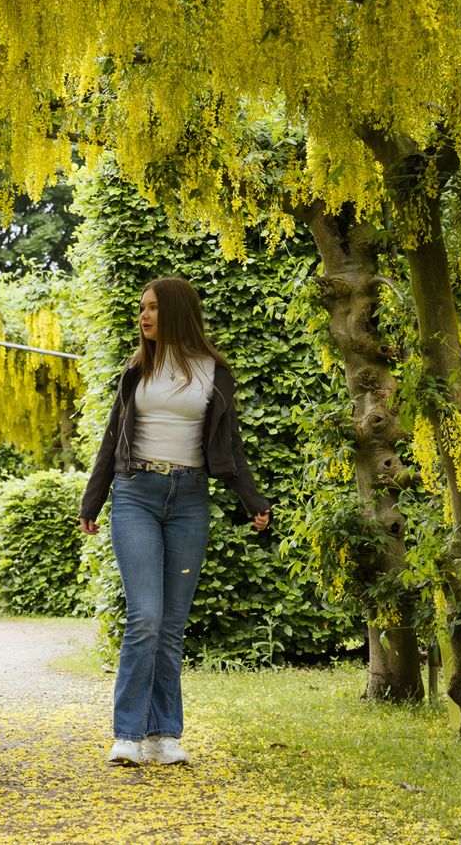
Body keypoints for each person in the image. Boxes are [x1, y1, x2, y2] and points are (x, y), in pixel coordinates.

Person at [77, 276, 271, 767]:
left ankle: (164, 733)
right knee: (145, 616)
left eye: (154, 309)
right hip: (135, 494)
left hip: (189, 498)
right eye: (141, 308)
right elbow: (110, 439)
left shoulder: (213, 372)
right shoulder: (136, 370)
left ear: (179, 313)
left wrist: (253, 502)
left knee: (172, 625)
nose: (143, 317)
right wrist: (91, 502)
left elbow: (230, 446)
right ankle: (127, 733)